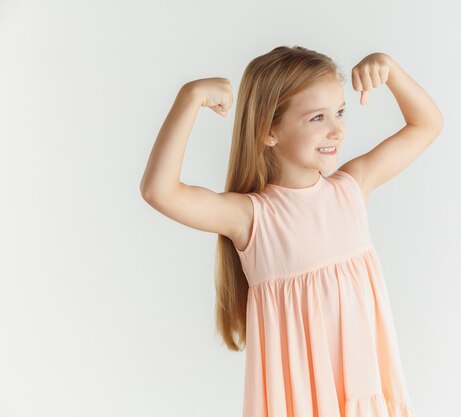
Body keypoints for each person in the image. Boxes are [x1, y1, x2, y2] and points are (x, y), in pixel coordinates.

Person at [140, 45, 443, 417]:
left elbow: (427, 125)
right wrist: (190, 98)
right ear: (269, 131)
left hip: (364, 395)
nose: (338, 128)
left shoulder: (352, 187)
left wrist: (391, 70)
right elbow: (159, 191)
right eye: (318, 117)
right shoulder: (251, 217)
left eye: (340, 112)